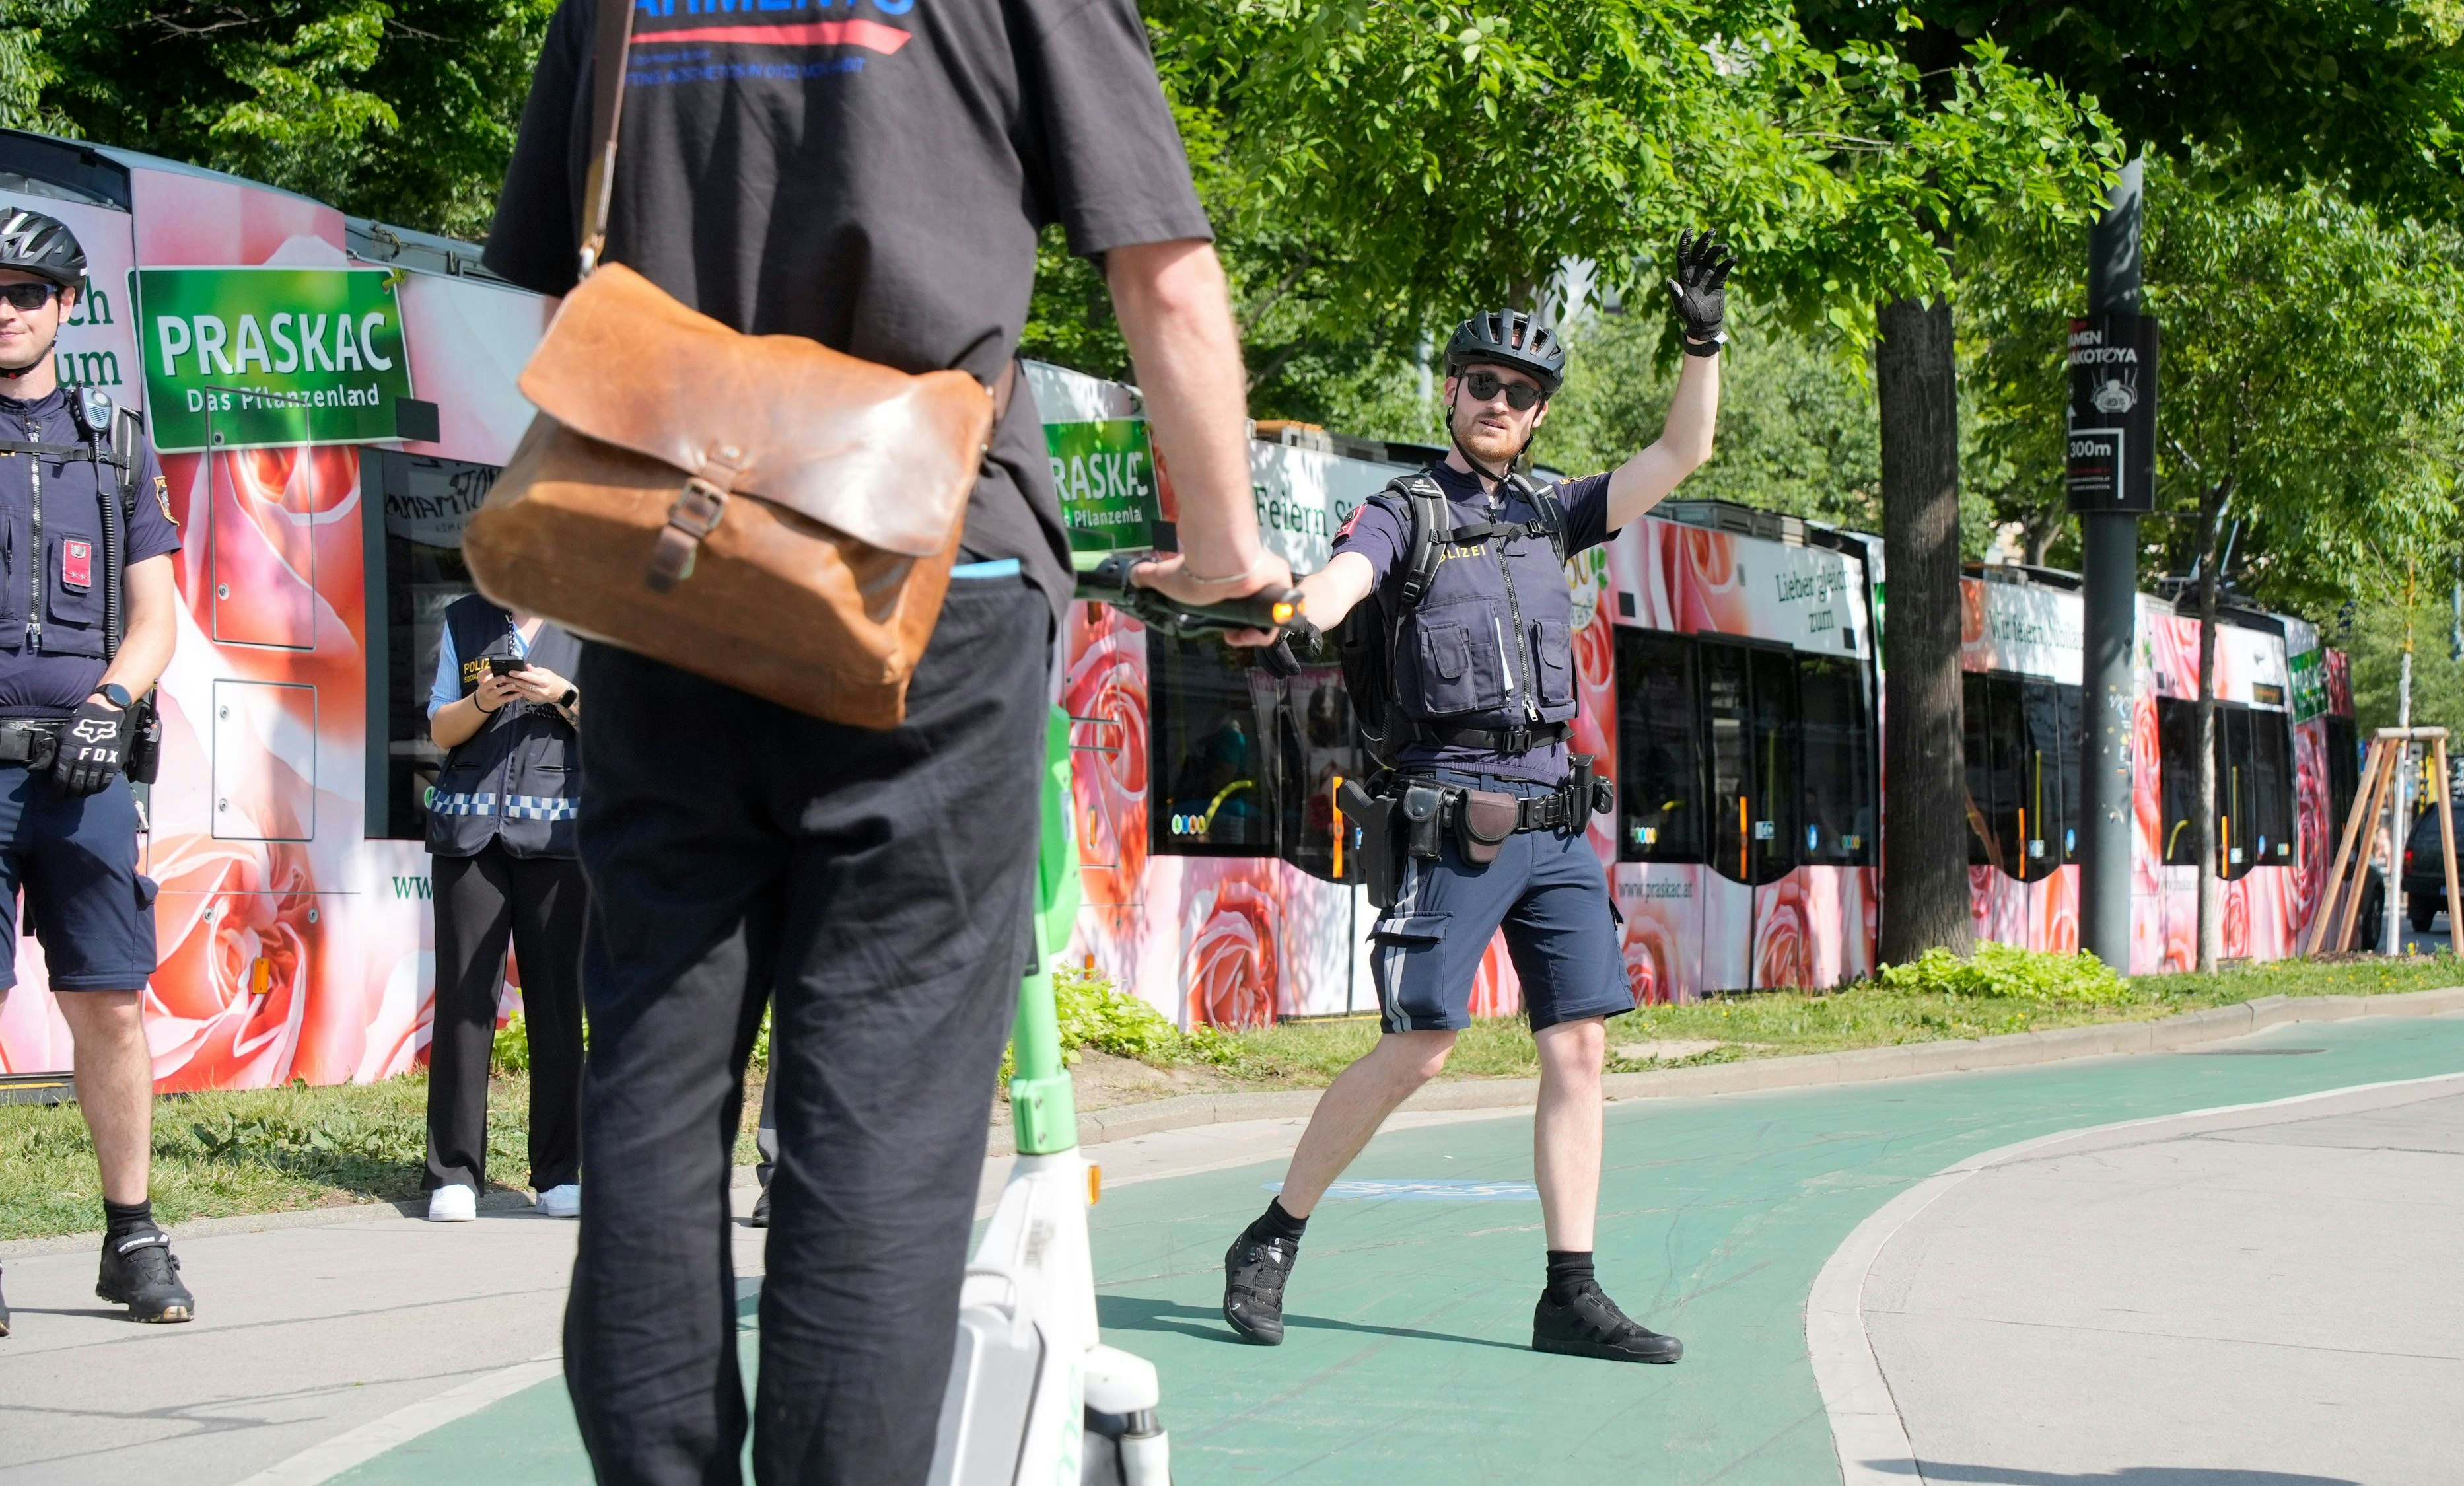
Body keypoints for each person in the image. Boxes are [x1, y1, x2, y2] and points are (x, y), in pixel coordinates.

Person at [482, 0, 1283, 1479]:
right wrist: (1228, 548)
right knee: (877, 1114)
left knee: (652, 1086)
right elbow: (1161, 275)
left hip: (672, 576)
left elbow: (569, 324)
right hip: (925, 581)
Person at [1219, 234, 1734, 1364]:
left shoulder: (1556, 512)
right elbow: (1345, 576)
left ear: (1541, 415)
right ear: (1452, 392)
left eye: (1523, 393)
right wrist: (1300, 609)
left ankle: (1570, 1292)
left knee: (1581, 1048)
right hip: (1454, 820)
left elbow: (1680, 453)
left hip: (1555, 823)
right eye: (1485, 384)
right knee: (1424, 1049)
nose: (1501, 402)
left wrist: (1702, 340)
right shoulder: (1404, 510)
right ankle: (1271, 1237)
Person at [0, 209, 188, 1333]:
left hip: (86, 774)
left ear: (70, 306)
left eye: (29, 290)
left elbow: (157, 617)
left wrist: (113, 704)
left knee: (110, 1004)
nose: (6, 309)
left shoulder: (117, 443)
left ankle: (132, 1236)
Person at [420, 596, 586, 1223]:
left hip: (558, 840)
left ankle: (557, 1173)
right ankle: (455, 1173)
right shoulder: (466, 619)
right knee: (464, 1002)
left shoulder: (592, 620)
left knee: (557, 1005)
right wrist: (484, 702)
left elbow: (626, 733)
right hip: (468, 835)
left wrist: (563, 694)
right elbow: (440, 727)